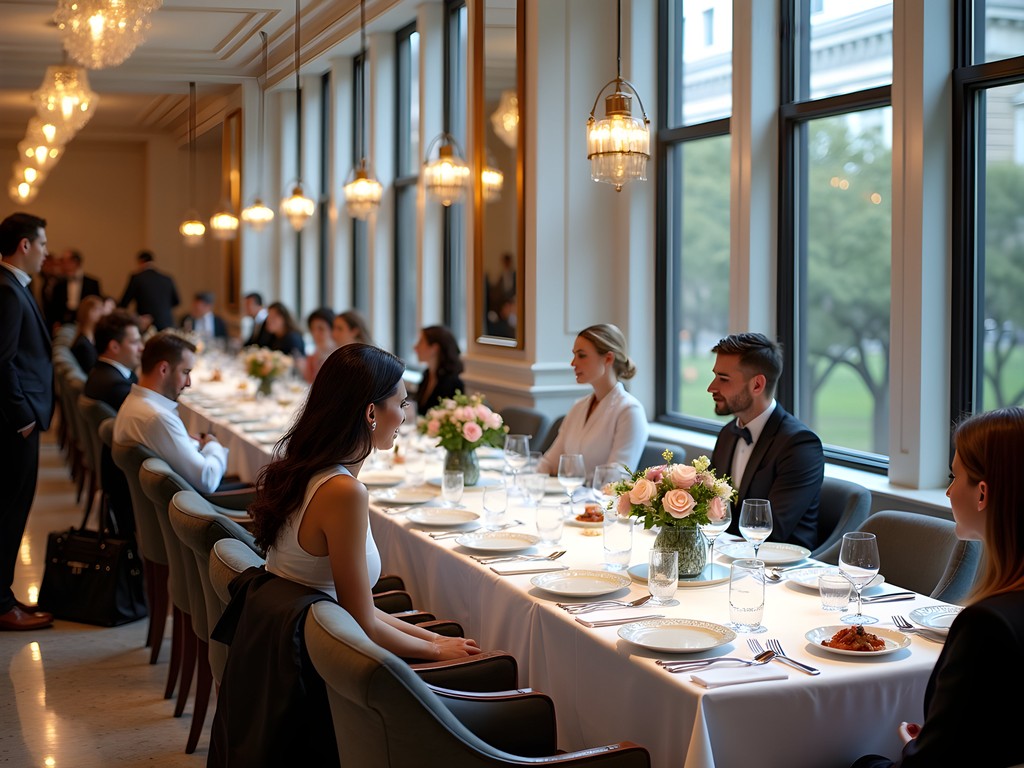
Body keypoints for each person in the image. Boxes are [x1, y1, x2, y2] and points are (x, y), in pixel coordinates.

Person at [250, 343, 482, 661]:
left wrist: (435, 639)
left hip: (296, 641)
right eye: (401, 403)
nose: (405, 415)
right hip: (315, 665)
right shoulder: (343, 492)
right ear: (371, 412)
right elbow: (362, 623)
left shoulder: (307, 468)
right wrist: (436, 650)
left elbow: (352, 606)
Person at [851, 407, 1024, 768]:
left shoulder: (987, 625)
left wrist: (913, 749)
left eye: (954, 476)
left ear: (982, 494)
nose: (947, 491)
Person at [707, 332, 823, 550]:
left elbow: (773, 530)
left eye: (723, 379)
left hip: (781, 570)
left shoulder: (799, 445)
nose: (711, 387)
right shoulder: (727, 434)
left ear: (757, 385)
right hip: (731, 558)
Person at [0, 212, 55, 631]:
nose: (45, 252)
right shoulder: (6, 291)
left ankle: (5, 595)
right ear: (24, 246)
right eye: (42, 244)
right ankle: (2, 605)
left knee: (14, 510)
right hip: (13, 425)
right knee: (8, 510)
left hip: (21, 420)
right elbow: (2, 363)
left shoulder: (15, 288)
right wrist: (21, 418)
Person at [113, 332, 228, 494]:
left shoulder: (135, 402)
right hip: (196, 510)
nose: (189, 383)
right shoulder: (156, 417)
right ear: (164, 369)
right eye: (185, 372)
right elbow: (207, 479)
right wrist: (213, 445)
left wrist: (191, 443)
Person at [536, 324, 648, 481]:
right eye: (574, 355)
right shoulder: (578, 407)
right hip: (568, 499)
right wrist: (527, 481)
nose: (573, 363)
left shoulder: (630, 411)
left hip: (597, 503)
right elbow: (549, 462)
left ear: (608, 358)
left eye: (581, 355)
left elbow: (616, 480)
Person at [85, 310, 143, 536]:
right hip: (124, 482)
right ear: (114, 346)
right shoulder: (115, 387)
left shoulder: (102, 374)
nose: (141, 348)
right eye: (135, 342)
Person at [118, 250, 180, 331]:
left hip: (146, 325)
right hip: (166, 323)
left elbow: (124, 303)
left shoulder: (137, 278)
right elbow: (176, 301)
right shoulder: (167, 279)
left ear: (140, 261)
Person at [413, 325, 464, 415]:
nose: (415, 347)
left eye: (421, 342)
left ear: (434, 348)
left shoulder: (453, 383)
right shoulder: (426, 375)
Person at [54, 249, 102, 325]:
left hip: (85, 322)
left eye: (64, 261)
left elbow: (96, 306)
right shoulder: (59, 283)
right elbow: (54, 307)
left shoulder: (92, 283)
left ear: (75, 262)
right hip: (64, 322)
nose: (61, 264)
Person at [69, 294, 107, 373]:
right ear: (90, 312)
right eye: (99, 310)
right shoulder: (83, 345)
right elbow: (93, 371)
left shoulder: (90, 338)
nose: (103, 313)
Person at [303, 307, 336, 383]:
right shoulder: (315, 352)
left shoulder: (338, 355)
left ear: (332, 329)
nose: (315, 334)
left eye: (321, 329)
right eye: (312, 329)